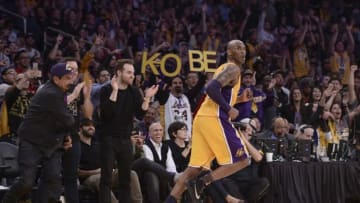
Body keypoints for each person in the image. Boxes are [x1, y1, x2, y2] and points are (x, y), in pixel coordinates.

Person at [165, 40, 250, 203]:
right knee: (243, 160)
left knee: (193, 169)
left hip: (202, 119)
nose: (243, 51)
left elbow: (218, 96)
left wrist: (238, 99)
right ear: (229, 52)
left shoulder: (223, 69)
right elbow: (211, 89)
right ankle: (202, 183)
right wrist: (229, 109)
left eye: (244, 48)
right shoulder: (233, 68)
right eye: (238, 48)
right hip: (214, 118)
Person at [2, 62, 75, 203]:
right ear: (56, 79)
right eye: (67, 78)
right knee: (26, 182)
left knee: (53, 179)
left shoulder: (59, 92)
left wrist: (66, 137)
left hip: (51, 143)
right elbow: (68, 120)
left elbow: (59, 120)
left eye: (71, 77)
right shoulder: (50, 93)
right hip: (32, 142)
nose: (71, 81)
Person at [98, 59, 158, 203]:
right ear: (119, 72)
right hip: (108, 139)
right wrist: (115, 91)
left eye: (133, 73)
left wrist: (147, 98)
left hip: (125, 139)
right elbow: (107, 114)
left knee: (125, 179)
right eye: (129, 72)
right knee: (106, 179)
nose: (132, 75)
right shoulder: (106, 89)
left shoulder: (134, 91)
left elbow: (139, 114)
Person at [78, 118, 142, 203]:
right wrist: (94, 172)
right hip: (89, 178)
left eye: (93, 125)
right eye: (87, 125)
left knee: (131, 173)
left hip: (106, 173)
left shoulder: (98, 145)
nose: (91, 127)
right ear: (80, 128)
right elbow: (76, 172)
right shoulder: (77, 147)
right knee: (101, 180)